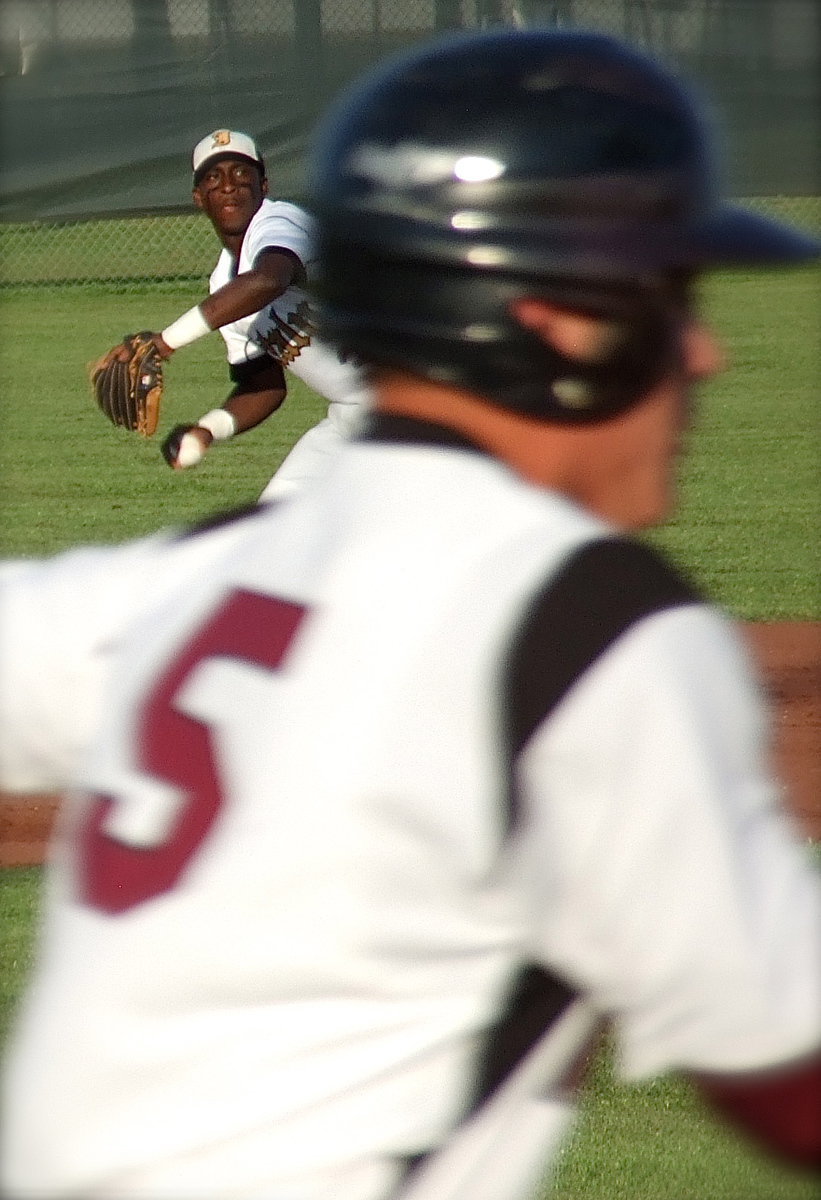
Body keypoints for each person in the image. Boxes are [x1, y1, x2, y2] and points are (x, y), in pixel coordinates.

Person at [1, 28, 820, 1200]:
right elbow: (785, 1064)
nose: (700, 353)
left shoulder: (201, 575)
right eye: (658, 297)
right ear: (532, 315)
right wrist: (202, 423)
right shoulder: (596, 631)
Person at [154, 128, 372, 500]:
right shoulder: (224, 288)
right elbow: (264, 385)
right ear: (198, 197)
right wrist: (207, 430)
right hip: (355, 415)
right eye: (213, 177)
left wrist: (164, 343)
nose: (228, 186)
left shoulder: (281, 222)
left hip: (425, 399)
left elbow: (269, 280)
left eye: (242, 174)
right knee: (278, 518)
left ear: (263, 186)